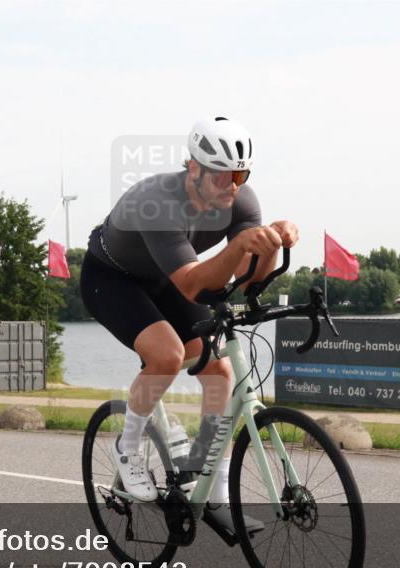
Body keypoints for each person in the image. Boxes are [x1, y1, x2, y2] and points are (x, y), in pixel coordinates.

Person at [80, 117, 299, 532]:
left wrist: (273, 242)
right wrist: (238, 245)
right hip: (111, 277)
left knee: (219, 370)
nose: (231, 185)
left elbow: (250, 281)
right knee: (167, 355)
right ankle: (128, 449)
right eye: (220, 175)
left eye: (240, 174)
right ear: (193, 168)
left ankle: (212, 490)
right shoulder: (158, 202)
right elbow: (195, 286)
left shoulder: (242, 199)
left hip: (165, 277)